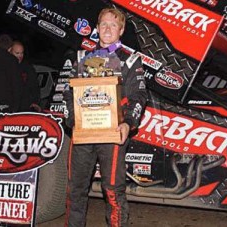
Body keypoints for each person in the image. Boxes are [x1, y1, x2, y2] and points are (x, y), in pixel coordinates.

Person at [63, 8, 147, 227]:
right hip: (83, 135)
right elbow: (67, 94)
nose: (107, 29)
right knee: (75, 190)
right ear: (97, 28)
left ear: (121, 30)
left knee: (112, 191)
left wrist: (128, 124)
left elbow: (138, 96)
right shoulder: (82, 57)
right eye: (103, 24)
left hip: (113, 135)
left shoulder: (130, 61)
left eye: (113, 25)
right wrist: (73, 121)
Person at [10, 40, 41, 112]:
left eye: (22, 53)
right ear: (10, 52)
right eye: (17, 53)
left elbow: (35, 87)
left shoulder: (28, 68)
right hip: (10, 109)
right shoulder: (6, 68)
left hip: (25, 108)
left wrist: (35, 102)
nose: (20, 56)